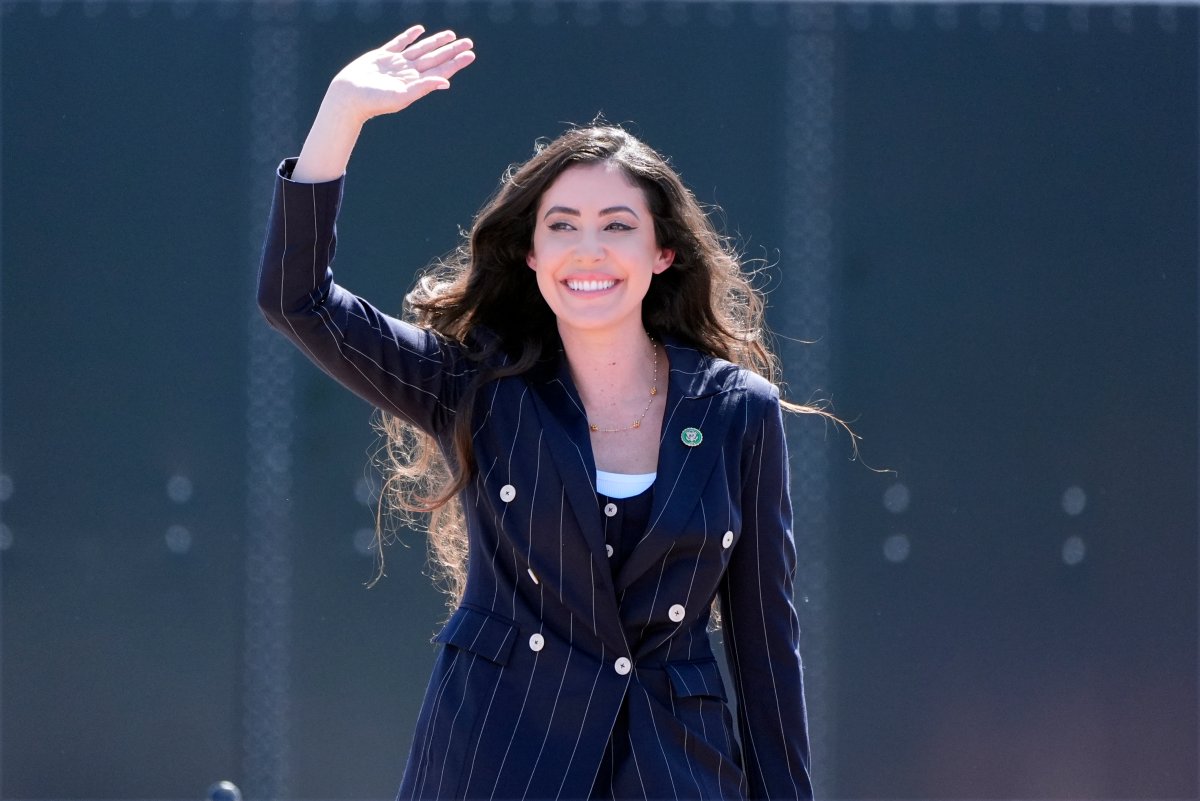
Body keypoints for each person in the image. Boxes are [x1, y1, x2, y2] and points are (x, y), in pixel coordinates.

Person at [259, 26, 822, 800]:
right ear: (530, 252)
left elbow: (766, 651)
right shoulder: (477, 386)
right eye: (562, 226)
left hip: (675, 770)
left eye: (617, 226)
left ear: (663, 253)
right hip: (497, 762)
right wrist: (342, 114)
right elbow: (299, 302)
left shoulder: (738, 412)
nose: (588, 250)